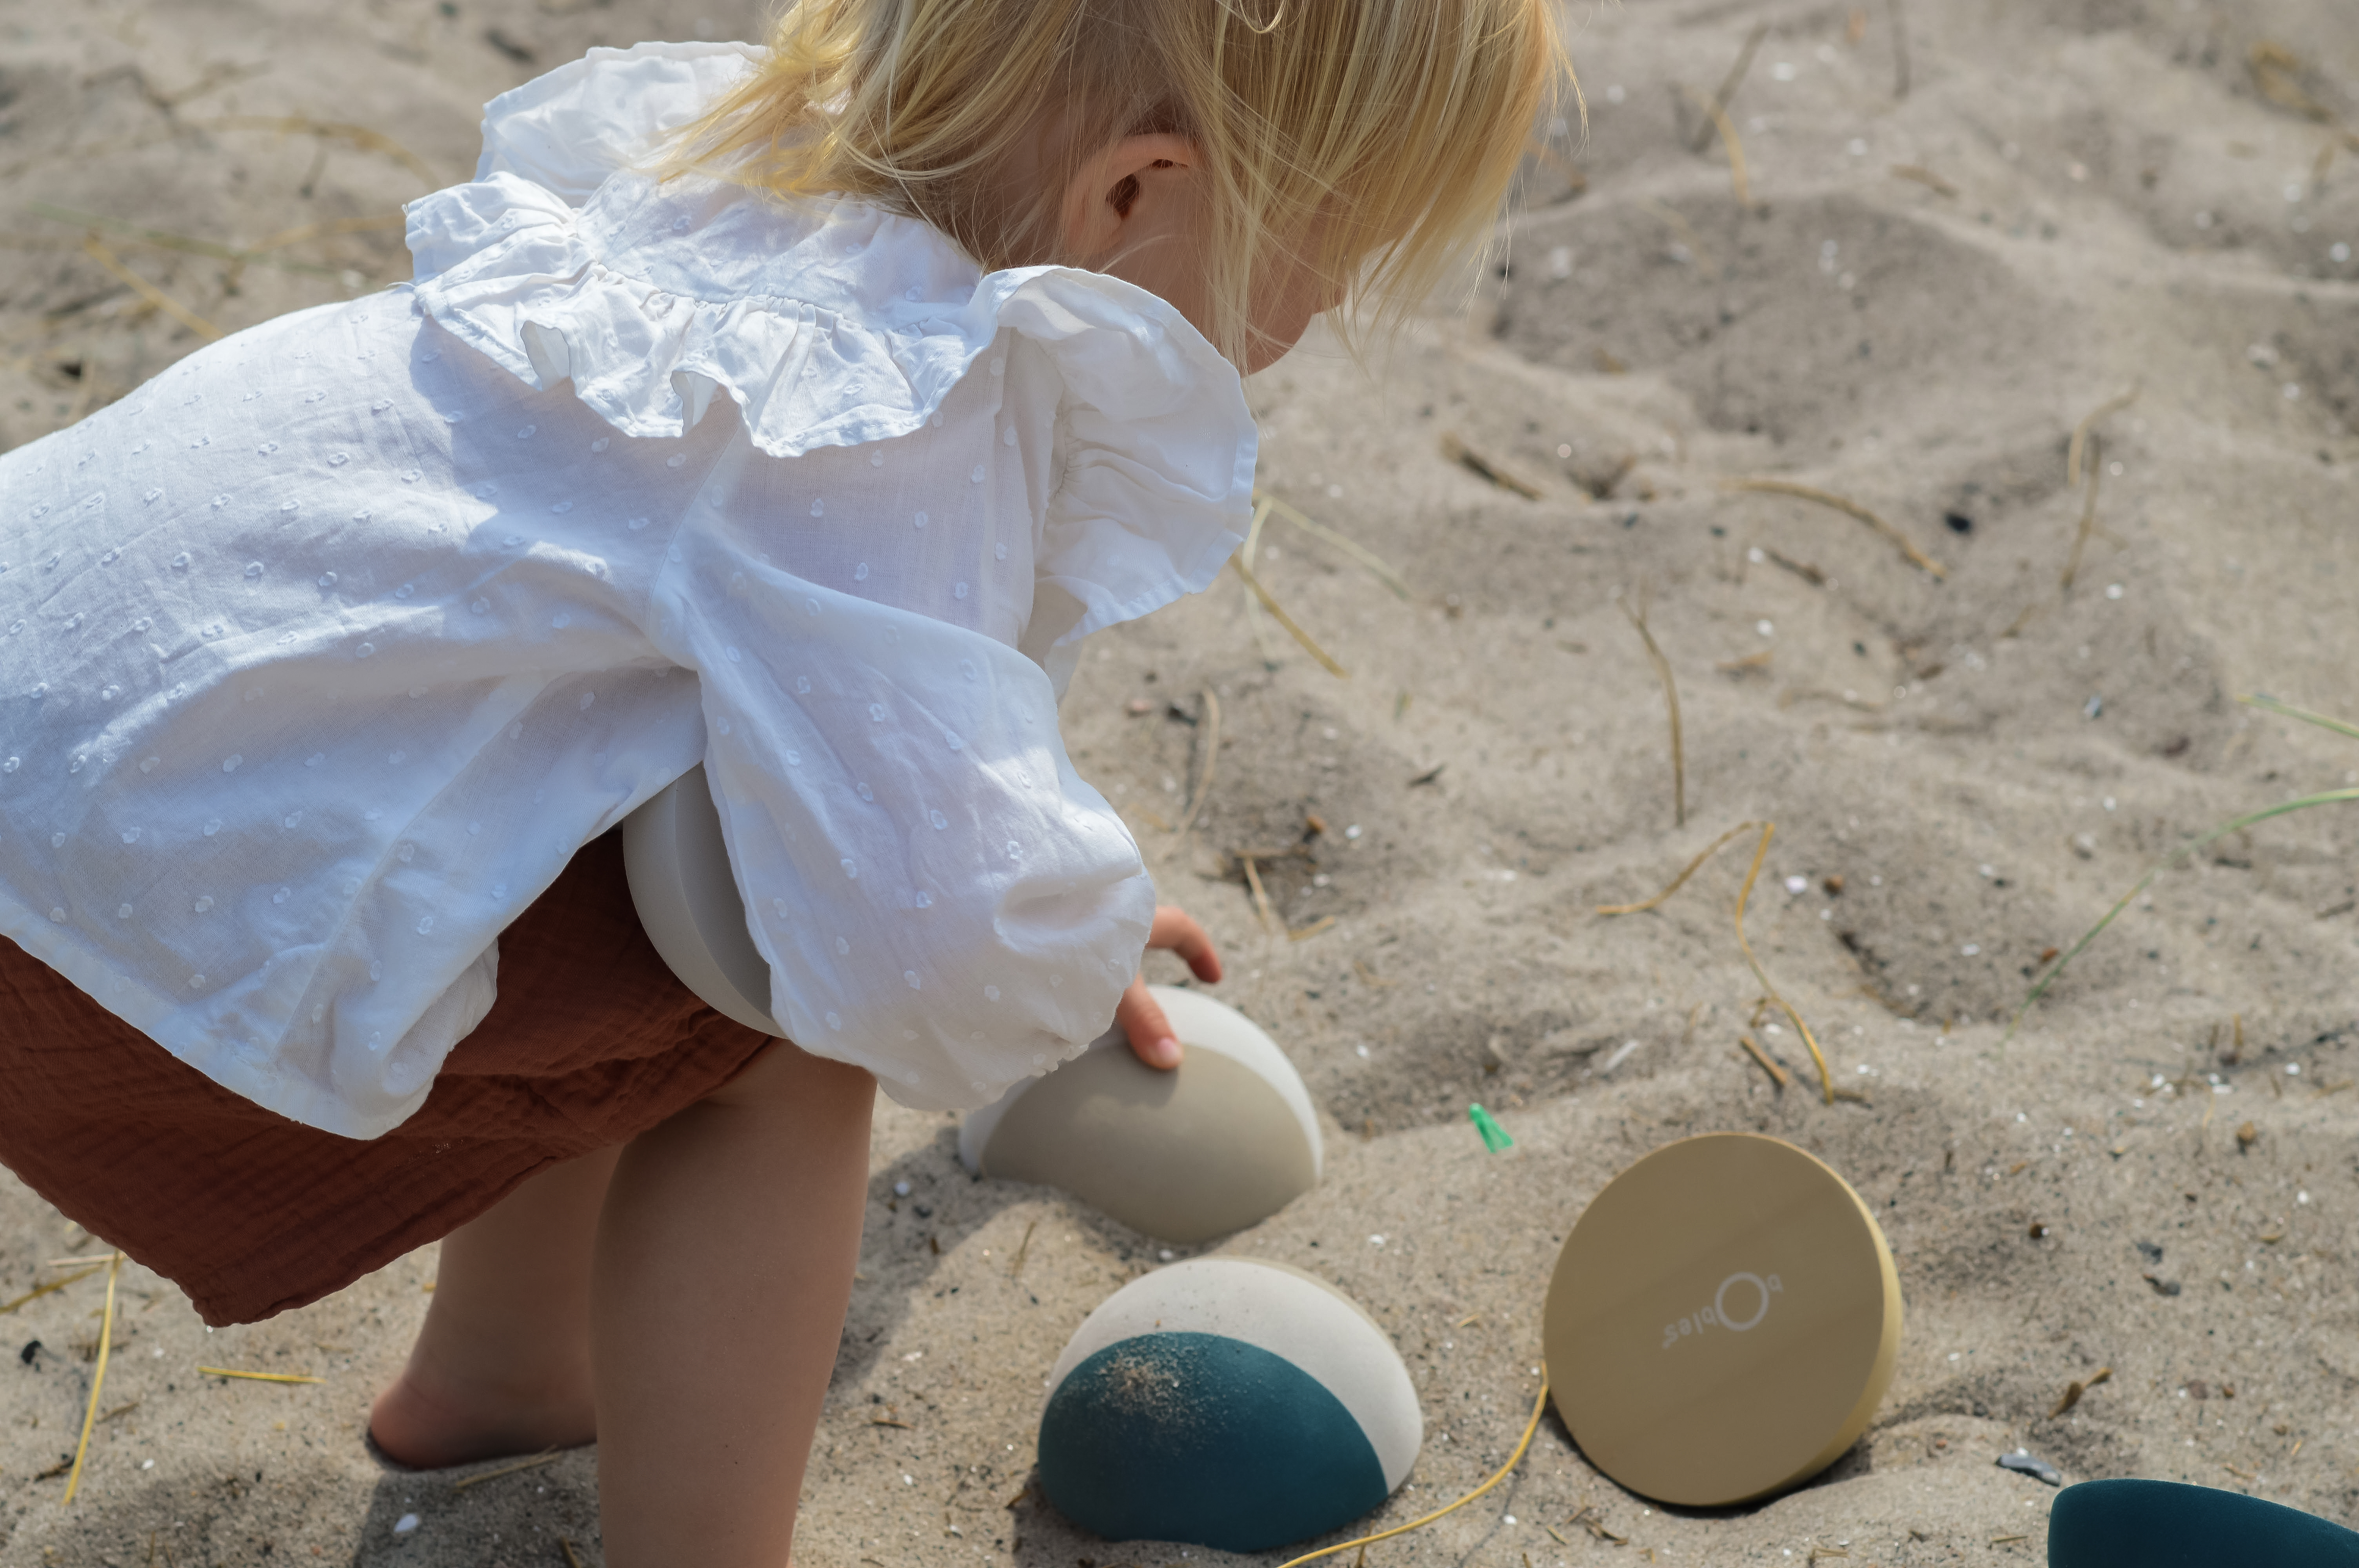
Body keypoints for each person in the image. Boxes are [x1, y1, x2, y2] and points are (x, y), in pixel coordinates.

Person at [0, 0, 1565, 1559]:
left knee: (629, 835)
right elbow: (916, 929)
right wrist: (1053, 940)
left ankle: (500, 1380)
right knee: (787, 1027)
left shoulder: (735, 198)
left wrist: (1019, 878)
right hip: (103, 926)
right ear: (1135, 193)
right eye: (1337, 256)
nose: (1327, 306)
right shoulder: (886, 401)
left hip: (60, 771)